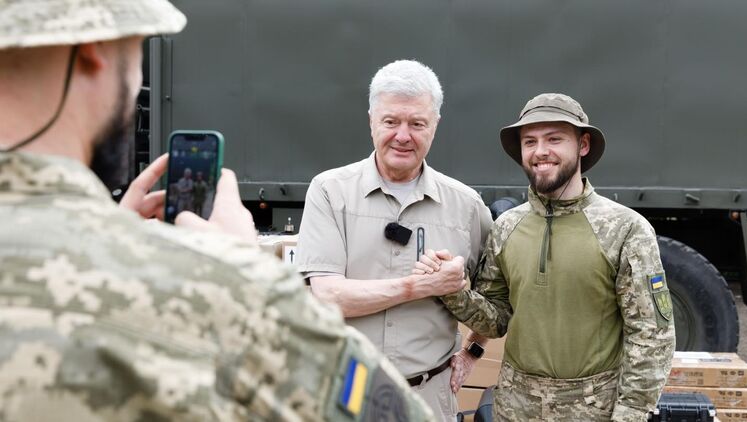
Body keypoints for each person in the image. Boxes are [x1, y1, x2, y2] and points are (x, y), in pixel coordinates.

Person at [0, 1, 434, 420]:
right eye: (135, 55)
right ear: (95, 51)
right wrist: (242, 276)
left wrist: (107, 234)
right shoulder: (219, 289)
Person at [422, 93, 676, 421]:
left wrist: (631, 414)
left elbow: (651, 336)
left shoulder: (625, 229)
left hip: (593, 410)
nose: (540, 151)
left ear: (583, 145)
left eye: (554, 139)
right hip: (514, 407)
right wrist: (453, 289)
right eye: (530, 142)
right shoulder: (507, 227)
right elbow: (495, 321)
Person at [296, 59, 493, 420]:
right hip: (350, 390)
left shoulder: (466, 206)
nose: (403, 136)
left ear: (435, 125)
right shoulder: (330, 192)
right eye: (391, 121)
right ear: (372, 120)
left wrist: (473, 352)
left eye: (417, 124)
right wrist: (422, 286)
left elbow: (496, 299)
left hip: (429, 396)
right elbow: (328, 296)